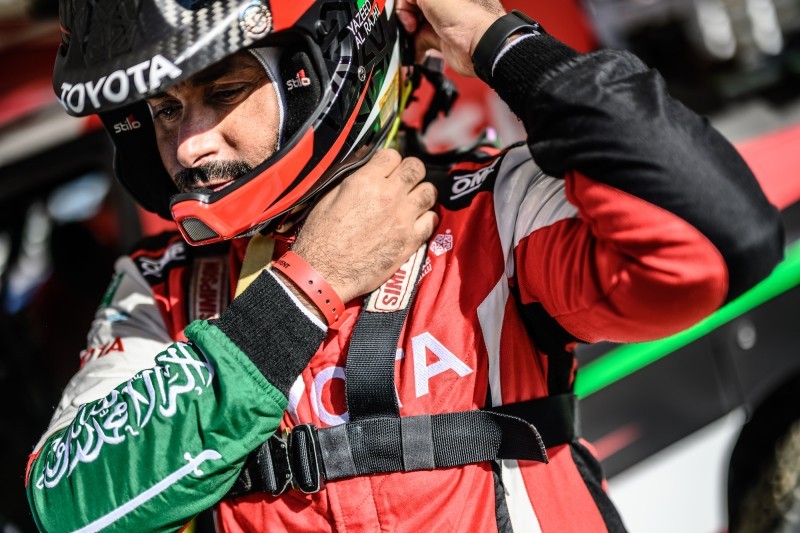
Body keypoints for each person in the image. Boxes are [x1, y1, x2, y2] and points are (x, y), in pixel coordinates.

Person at [26, 0, 783, 531]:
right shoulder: (159, 288)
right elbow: (71, 506)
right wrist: (306, 288)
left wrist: (499, 43)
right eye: (165, 111)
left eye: (223, 92)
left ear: (317, 68)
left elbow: (715, 240)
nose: (189, 145)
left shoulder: (494, 211)